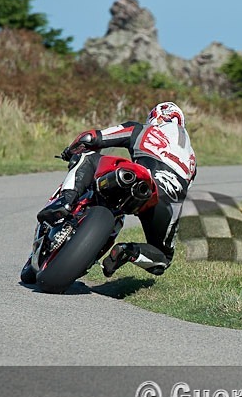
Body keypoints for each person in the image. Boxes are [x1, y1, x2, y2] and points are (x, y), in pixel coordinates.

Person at [23, 101, 196, 282]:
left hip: (139, 176)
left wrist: (70, 151)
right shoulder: (192, 159)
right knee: (163, 258)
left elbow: (91, 138)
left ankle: (66, 200)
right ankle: (129, 251)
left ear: (155, 118)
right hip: (168, 203)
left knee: (88, 158)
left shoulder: (143, 130)